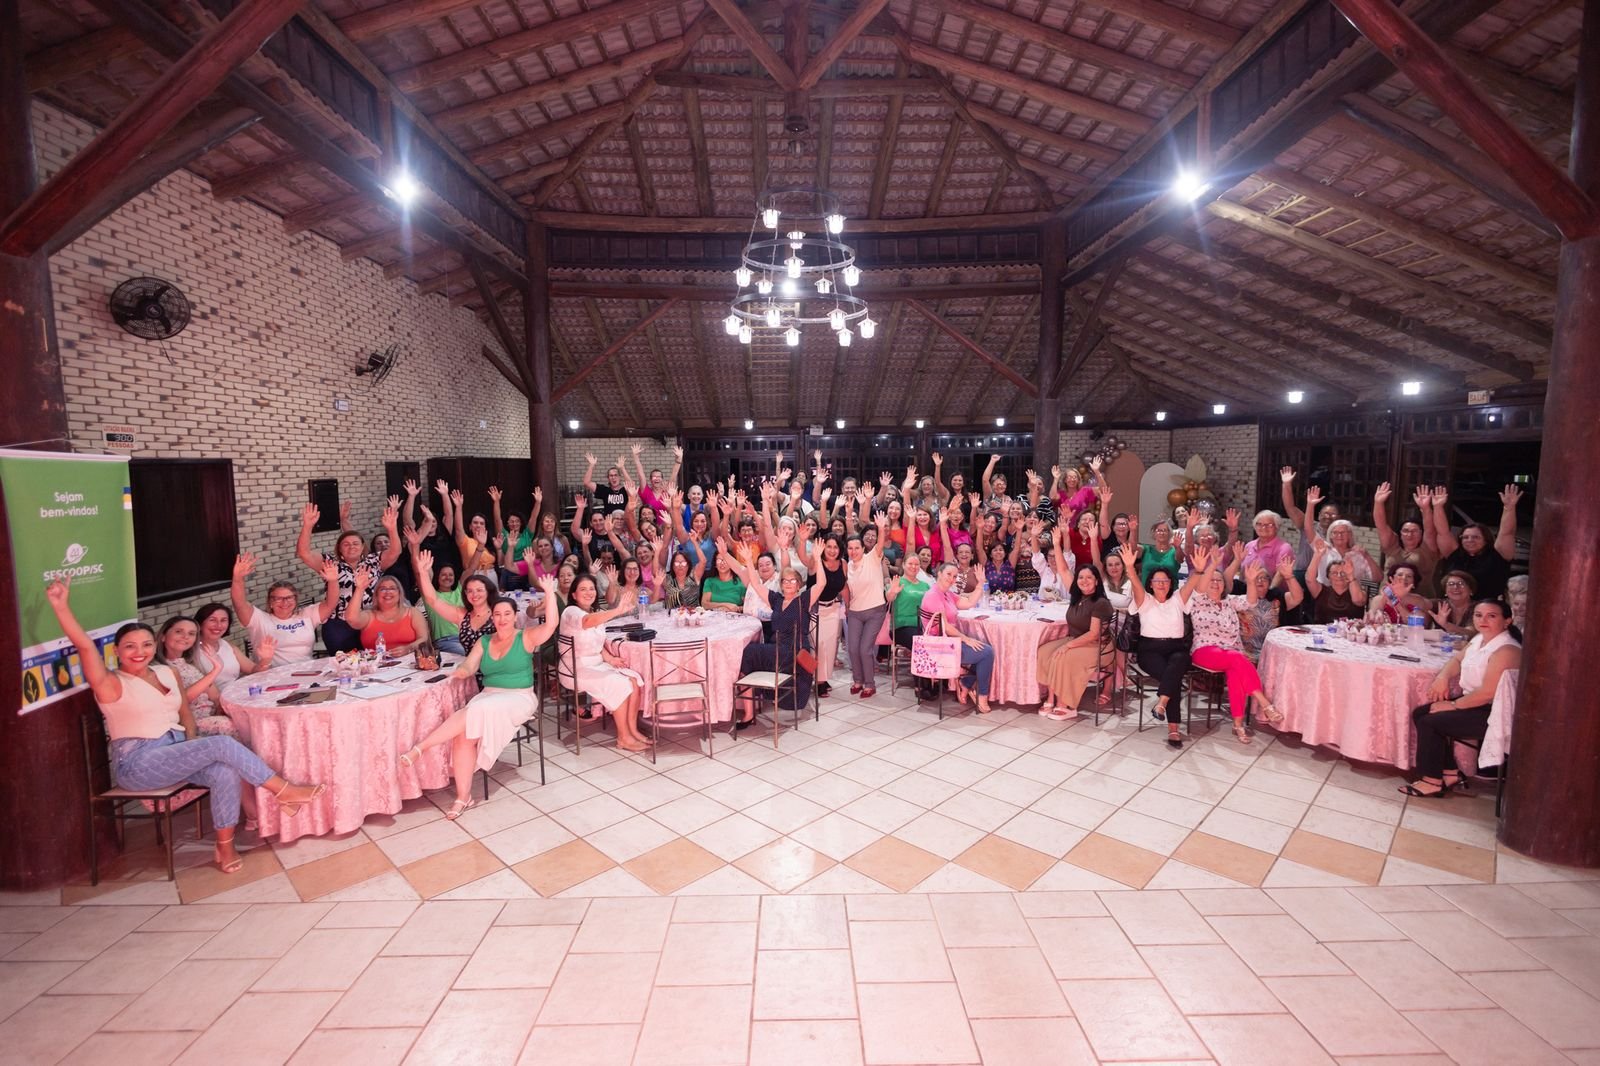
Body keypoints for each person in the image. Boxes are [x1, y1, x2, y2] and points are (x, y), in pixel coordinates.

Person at [45, 579, 324, 874]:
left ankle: (224, 846)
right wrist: (61, 607)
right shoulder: (111, 683)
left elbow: (185, 714)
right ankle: (283, 790)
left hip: (175, 750)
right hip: (140, 762)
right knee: (222, 743)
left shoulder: (166, 672)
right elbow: (85, 647)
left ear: (155, 646)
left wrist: (193, 744)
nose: (139, 651)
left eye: (145, 644)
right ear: (116, 651)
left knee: (224, 771)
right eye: (129, 646)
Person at [400, 577, 560, 819]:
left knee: (471, 713)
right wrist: (458, 673)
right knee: (464, 735)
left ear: (515, 616)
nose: (502, 618)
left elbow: (551, 626)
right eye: (498, 614)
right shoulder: (484, 641)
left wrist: (549, 593)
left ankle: (420, 748)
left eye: (507, 614)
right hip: (489, 697)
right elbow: (469, 666)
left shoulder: (525, 637)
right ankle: (463, 797)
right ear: (492, 618)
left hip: (519, 698)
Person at [1400, 599, 1521, 797]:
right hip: (1476, 703)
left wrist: (1453, 705)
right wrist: (1442, 677)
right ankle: (1449, 773)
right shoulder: (1479, 639)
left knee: (1431, 722)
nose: (1483, 620)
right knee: (1421, 713)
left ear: (1507, 621)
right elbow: (1457, 659)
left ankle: (1431, 781)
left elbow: (1487, 693)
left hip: (1495, 712)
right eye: (1478, 615)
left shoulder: (1507, 649)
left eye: (1492, 616)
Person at [1186, 552, 1285, 743]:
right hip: (1205, 651)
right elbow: (1200, 586)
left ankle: (1238, 724)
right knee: (1236, 659)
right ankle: (1264, 702)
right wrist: (1212, 565)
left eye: (1219, 580)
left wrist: (1250, 580)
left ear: (1225, 585)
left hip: (1232, 654)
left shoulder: (1229, 601)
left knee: (1236, 672)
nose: (1215, 583)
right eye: (1212, 580)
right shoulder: (1197, 600)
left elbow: (1251, 602)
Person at [1118, 542, 1204, 748]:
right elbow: (1136, 585)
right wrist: (1130, 566)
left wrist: (1199, 570)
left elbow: (1191, 584)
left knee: (1178, 663)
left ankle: (1161, 704)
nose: (1161, 584)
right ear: (1150, 584)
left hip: (1176, 649)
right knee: (1171, 676)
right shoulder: (1145, 600)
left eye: (1165, 580)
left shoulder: (1178, 599)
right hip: (1150, 651)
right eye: (1157, 581)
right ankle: (1173, 729)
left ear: (1171, 583)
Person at [295, 500, 401, 652]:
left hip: (369, 619)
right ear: (339, 549)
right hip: (339, 625)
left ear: (363, 546)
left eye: (356, 543)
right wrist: (307, 526)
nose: (351, 546)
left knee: (376, 660)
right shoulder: (330, 563)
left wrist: (392, 529)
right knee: (345, 666)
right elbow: (304, 553)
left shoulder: (373, 561)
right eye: (346, 544)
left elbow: (395, 551)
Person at [561, 574, 650, 752]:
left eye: (592, 588)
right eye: (583, 589)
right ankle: (623, 738)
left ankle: (633, 731)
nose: (588, 592)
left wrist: (611, 659)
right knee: (619, 684)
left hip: (596, 664)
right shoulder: (570, 612)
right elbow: (587, 623)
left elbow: (597, 643)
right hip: (576, 668)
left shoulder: (594, 614)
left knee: (633, 680)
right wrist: (618, 610)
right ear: (574, 595)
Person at [230, 553, 340, 663]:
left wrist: (333, 581)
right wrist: (237, 579)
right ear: (270, 601)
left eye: (289, 598)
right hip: (271, 675)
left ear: (296, 600)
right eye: (278, 598)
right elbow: (239, 603)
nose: (284, 602)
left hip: (306, 672)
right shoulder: (259, 620)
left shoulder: (307, 615)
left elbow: (331, 604)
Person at [1036, 565, 1113, 721]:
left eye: (1089, 577)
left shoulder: (1100, 602)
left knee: (1063, 657)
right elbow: (1064, 570)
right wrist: (1057, 544)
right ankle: (1051, 698)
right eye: (1081, 577)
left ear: (1097, 581)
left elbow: (1093, 634)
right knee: (1044, 652)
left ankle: (1067, 705)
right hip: (1077, 639)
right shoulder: (1077, 597)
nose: (1084, 581)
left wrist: (1067, 646)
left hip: (1099, 646)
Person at [922, 562, 995, 713]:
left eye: (954, 576)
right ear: (939, 574)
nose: (951, 578)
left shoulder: (947, 593)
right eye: (948, 574)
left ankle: (966, 683)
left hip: (948, 641)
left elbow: (968, 603)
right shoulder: (933, 595)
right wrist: (965, 639)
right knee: (987, 653)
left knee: (984, 646)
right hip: (939, 647)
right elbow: (945, 627)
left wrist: (980, 583)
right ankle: (982, 696)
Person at [155, 616, 244, 736]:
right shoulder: (158, 669)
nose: (185, 637)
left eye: (191, 634)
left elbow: (215, 696)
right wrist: (216, 670)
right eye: (178, 632)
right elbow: (181, 700)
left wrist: (223, 710)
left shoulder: (191, 664)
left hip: (212, 717)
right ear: (163, 636)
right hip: (190, 723)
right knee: (233, 726)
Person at [1433, 484, 1519, 600]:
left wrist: (1509, 507)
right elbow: (1442, 532)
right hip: (1454, 607)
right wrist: (1438, 507)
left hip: (1488, 609)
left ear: (1486, 539)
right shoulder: (1455, 555)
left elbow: (1507, 532)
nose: (1470, 540)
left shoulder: (1497, 555)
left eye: (1475, 537)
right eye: (1466, 537)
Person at [844, 511, 890, 698]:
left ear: (863, 548)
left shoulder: (872, 558)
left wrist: (880, 528)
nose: (854, 551)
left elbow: (880, 544)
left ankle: (869, 684)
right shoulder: (847, 566)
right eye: (850, 548)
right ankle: (858, 680)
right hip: (854, 612)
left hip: (874, 611)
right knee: (853, 648)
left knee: (865, 649)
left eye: (857, 547)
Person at [417, 552, 498, 657]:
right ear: (465, 593)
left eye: (479, 590)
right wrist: (423, 572)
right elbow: (433, 600)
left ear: (489, 591)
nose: (474, 594)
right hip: (455, 649)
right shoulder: (462, 615)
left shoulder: (499, 611)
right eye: (470, 591)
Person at [1374, 482, 1440, 593]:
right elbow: (1381, 525)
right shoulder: (1392, 545)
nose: (1410, 534)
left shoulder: (1428, 549)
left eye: (1414, 531)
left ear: (1421, 533)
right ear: (1400, 533)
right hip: (1388, 599)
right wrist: (1378, 503)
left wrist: (1426, 508)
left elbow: (1430, 530)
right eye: (1406, 531)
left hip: (1420, 601)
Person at [343, 572, 429, 654]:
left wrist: (409, 648)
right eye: (383, 589)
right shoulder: (369, 615)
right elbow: (351, 618)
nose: (388, 592)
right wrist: (360, 589)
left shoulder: (413, 612)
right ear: (376, 594)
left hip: (410, 664)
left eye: (392, 588)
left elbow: (424, 639)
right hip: (376, 666)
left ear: (399, 593)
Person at [1237, 555, 1305, 657]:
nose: (1260, 581)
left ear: (1269, 582)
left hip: (1272, 651)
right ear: (1248, 581)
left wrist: (1289, 577)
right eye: (1256, 578)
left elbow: (1297, 598)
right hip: (1244, 652)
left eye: (1264, 578)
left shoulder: (1276, 597)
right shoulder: (1240, 597)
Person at [807, 533, 848, 697]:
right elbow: (804, 558)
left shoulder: (843, 564)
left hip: (833, 609)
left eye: (835, 547)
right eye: (829, 546)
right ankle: (818, 681)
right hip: (815, 610)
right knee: (818, 647)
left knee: (830, 648)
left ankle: (822, 679)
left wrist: (849, 606)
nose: (832, 550)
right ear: (823, 547)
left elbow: (844, 587)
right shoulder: (815, 561)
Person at [1280, 467, 1339, 579]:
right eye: (1325, 513)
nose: (1328, 516)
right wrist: (1286, 484)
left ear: (1338, 517)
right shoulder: (1308, 525)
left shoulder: (1340, 535)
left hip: (1324, 577)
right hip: (1302, 572)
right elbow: (1290, 507)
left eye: (1332, 514)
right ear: (1319, 515)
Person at [192, 603, 269, 686]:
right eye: (212, 620)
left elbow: (253, 670)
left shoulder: (227, 646)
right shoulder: (191, 652)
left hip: (236, 692)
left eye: (223, 620)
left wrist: (265, 659)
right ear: (200, 623)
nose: (219, 625)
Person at [1304, 541, 1368, 622]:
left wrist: (1351, 576)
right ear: (1328, 576)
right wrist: (1317, 555)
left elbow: (1358, 600)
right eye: (1334, 573)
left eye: (1343, 573)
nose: (1339, 576)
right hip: (1322, 632)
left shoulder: (1359, 592)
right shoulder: (1321, 591)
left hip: (1348, 633)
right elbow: (1309, 579)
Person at [1241, 509, 1295, 577]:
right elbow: (1242, 571)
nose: (1263, 527)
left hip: (1269, 587)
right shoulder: (1249, 545)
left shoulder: (1284, 548)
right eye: (1259, 524)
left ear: (1276, 527)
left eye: (1269, 525)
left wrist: (1270, 588)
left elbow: (1280, 575)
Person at [1430, 571, 1479, 637]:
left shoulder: (1478, 607)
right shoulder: (1440, 604)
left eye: (1461, 583)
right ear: (1445, 591)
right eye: (1451, 584)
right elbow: (1421, 602)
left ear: (1471, 590)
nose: (1455, 587)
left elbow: (1470, 633)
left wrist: (1446, 625)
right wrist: (1410, 597)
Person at [700, 545, 747, 612]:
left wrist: (737, 609)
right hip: (713, 617)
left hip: (735, 618)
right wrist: (726, 605)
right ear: (715, 564)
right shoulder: (709, 581)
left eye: (725, 560)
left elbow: (747, 606)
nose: (722, 563)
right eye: (719, 560)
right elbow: (704, 604)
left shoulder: (741, 581)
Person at [1136, 519, 1181, 587]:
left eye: (1164, 530)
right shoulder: (1146, 549)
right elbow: (1132, 548)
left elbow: (1180, 559)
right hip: (1148, 594)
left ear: (1169, 533)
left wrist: (1178, 547)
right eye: (1159, 530)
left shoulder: (1175, 551)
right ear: (1154, 533)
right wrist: (1133, 530)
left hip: (1171, 594)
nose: (1162, 533)